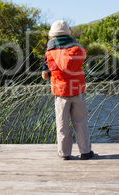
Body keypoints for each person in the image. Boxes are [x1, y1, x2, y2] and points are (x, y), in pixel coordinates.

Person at [42, 20, 94, 160]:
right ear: (68, 34)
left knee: (62, 124)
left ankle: (64, 153)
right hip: (78, 92)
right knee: (81, 123)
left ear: (53, 36)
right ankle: (85, 152)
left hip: (61, 93)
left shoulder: (50, 53)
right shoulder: (76, 49)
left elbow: (45, 75)